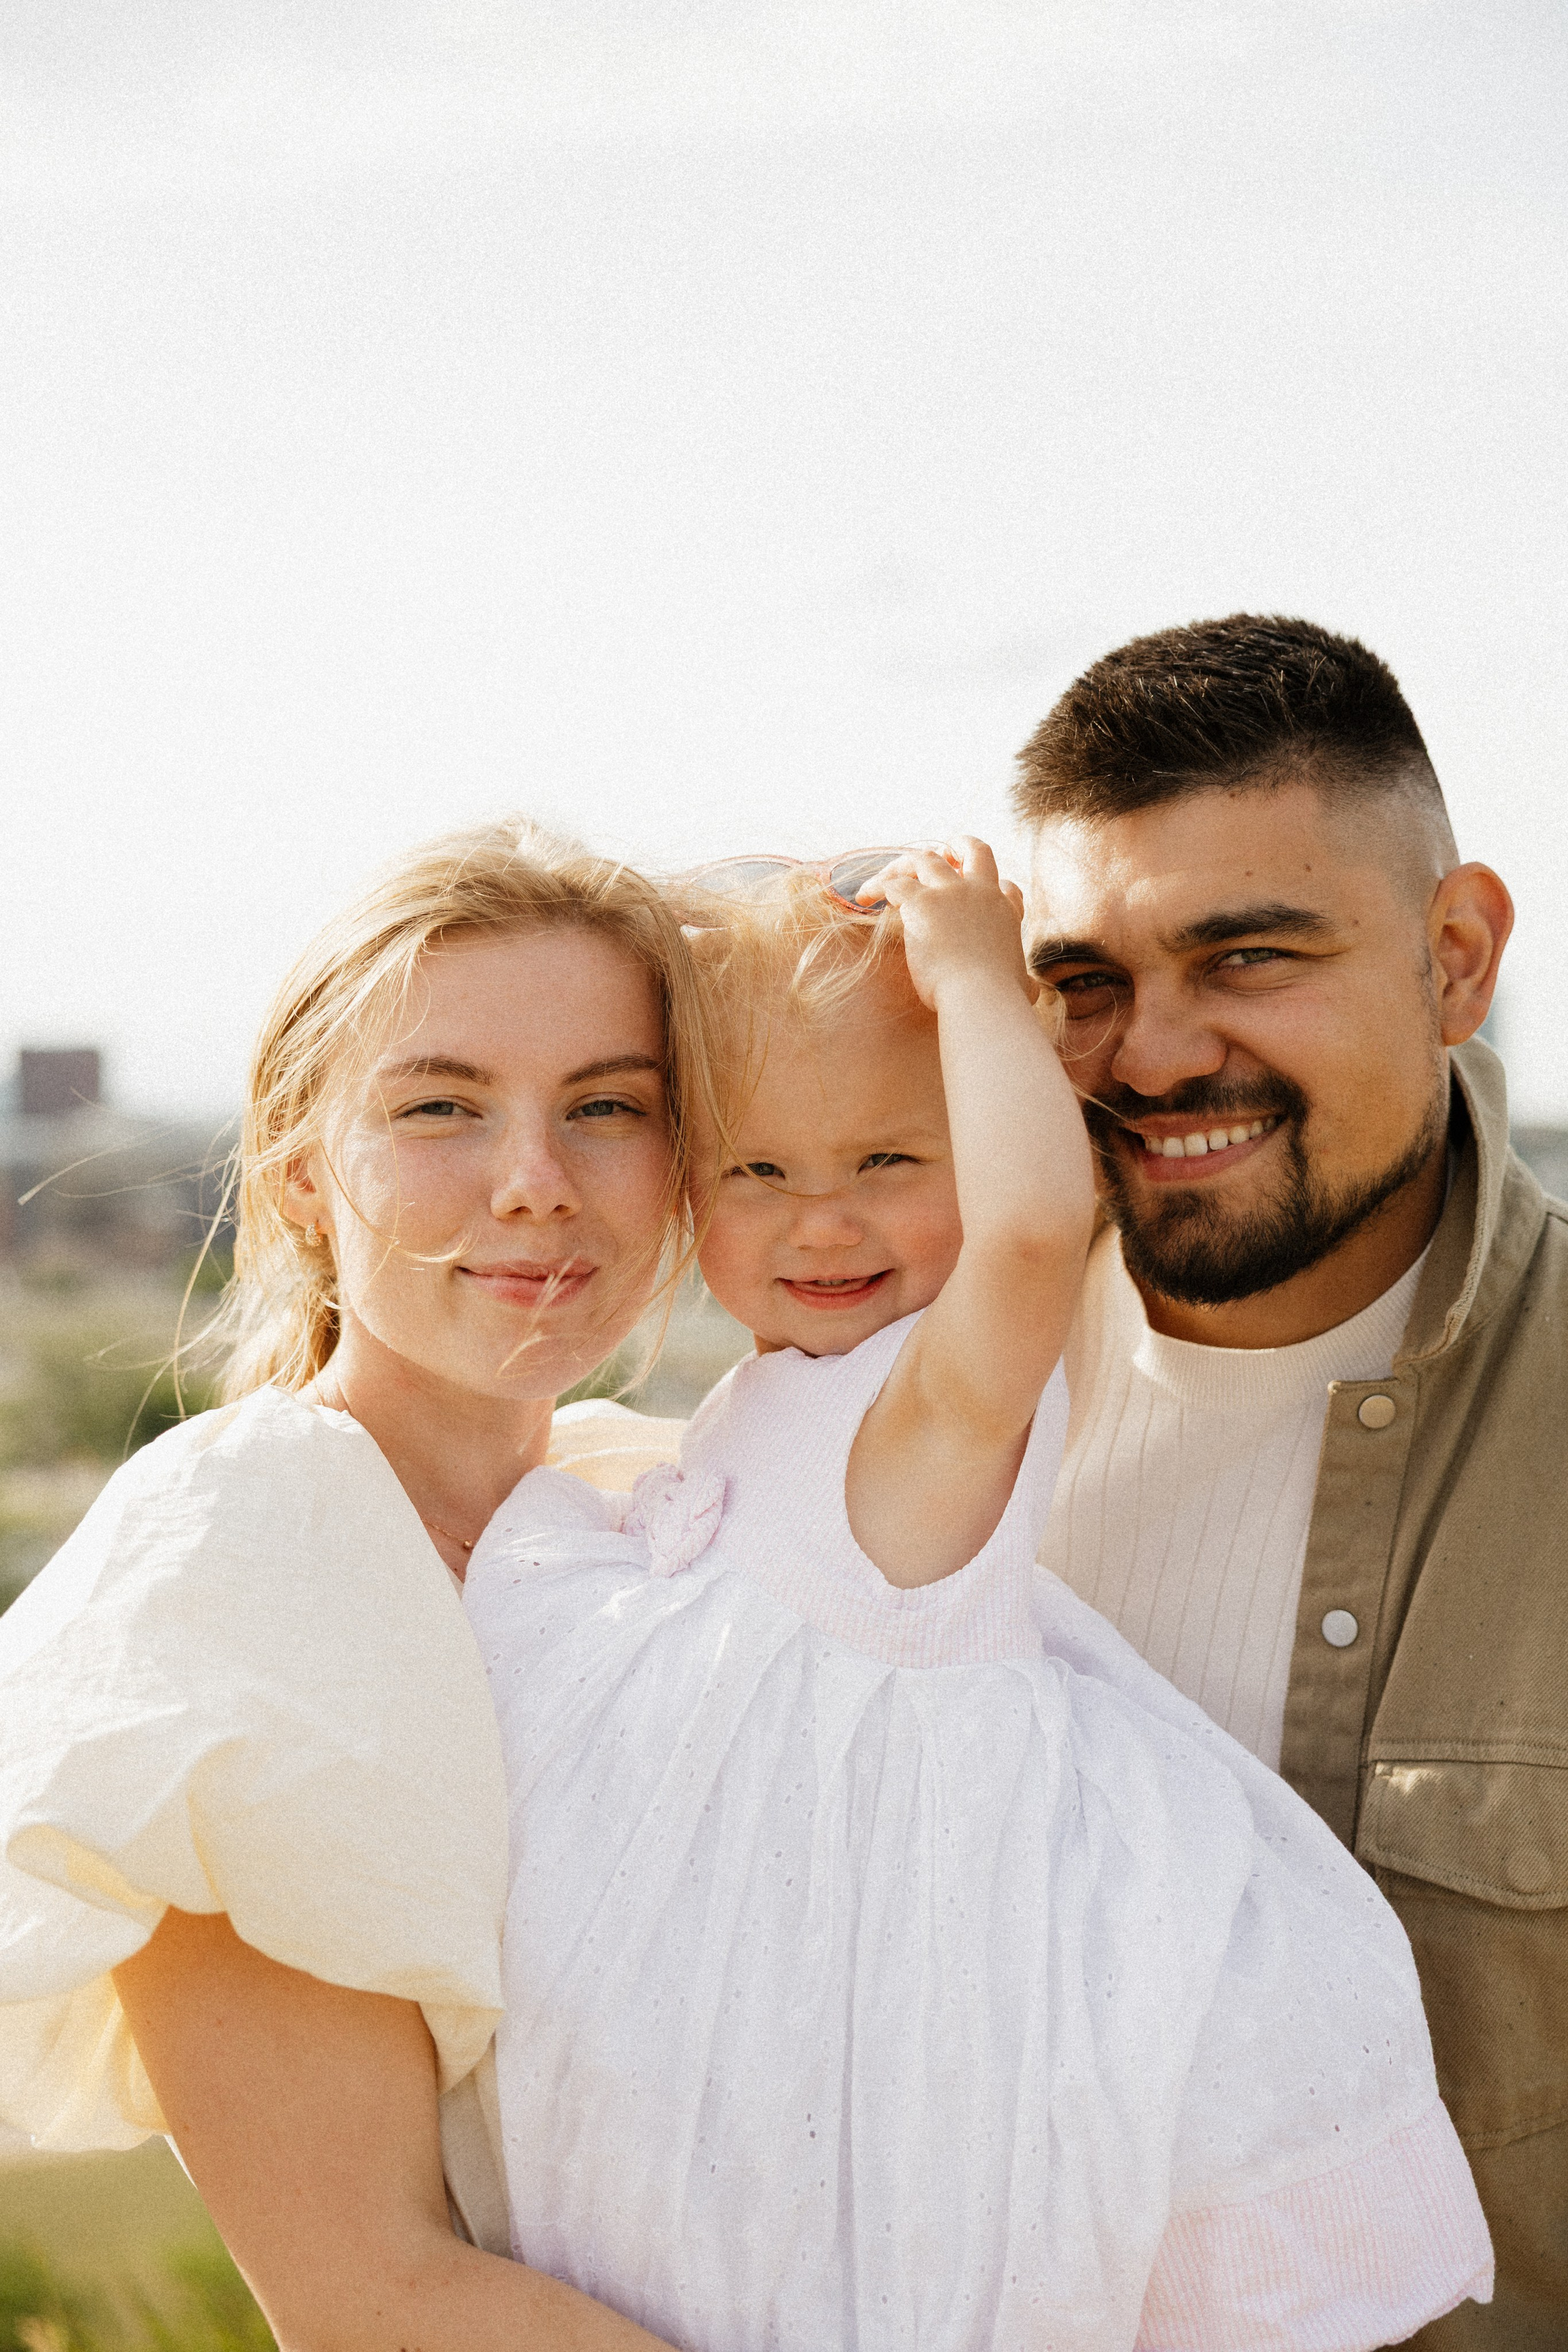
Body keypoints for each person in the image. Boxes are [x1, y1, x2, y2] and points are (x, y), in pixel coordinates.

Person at [463, 841, 1491, 2351]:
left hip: (873, 2008)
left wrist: (969, 981)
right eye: (757, 1172)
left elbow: (1024, 1232)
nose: (821, 1223)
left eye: (890, 1164)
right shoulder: (779, 1396)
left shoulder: (933, 1406)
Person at [0, 817, 699, 2351]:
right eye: (441, 1106)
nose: (535, 1182)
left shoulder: (652, 1500)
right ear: (305, 1169)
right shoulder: (254, 1562)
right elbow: (377, 2294)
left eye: (607, 1105)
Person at [1015, 614, 1564, 2350]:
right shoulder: (871, 1405)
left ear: (1455, 958)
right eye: (1082, 983)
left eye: (1246, 958)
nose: (1154, 1055)